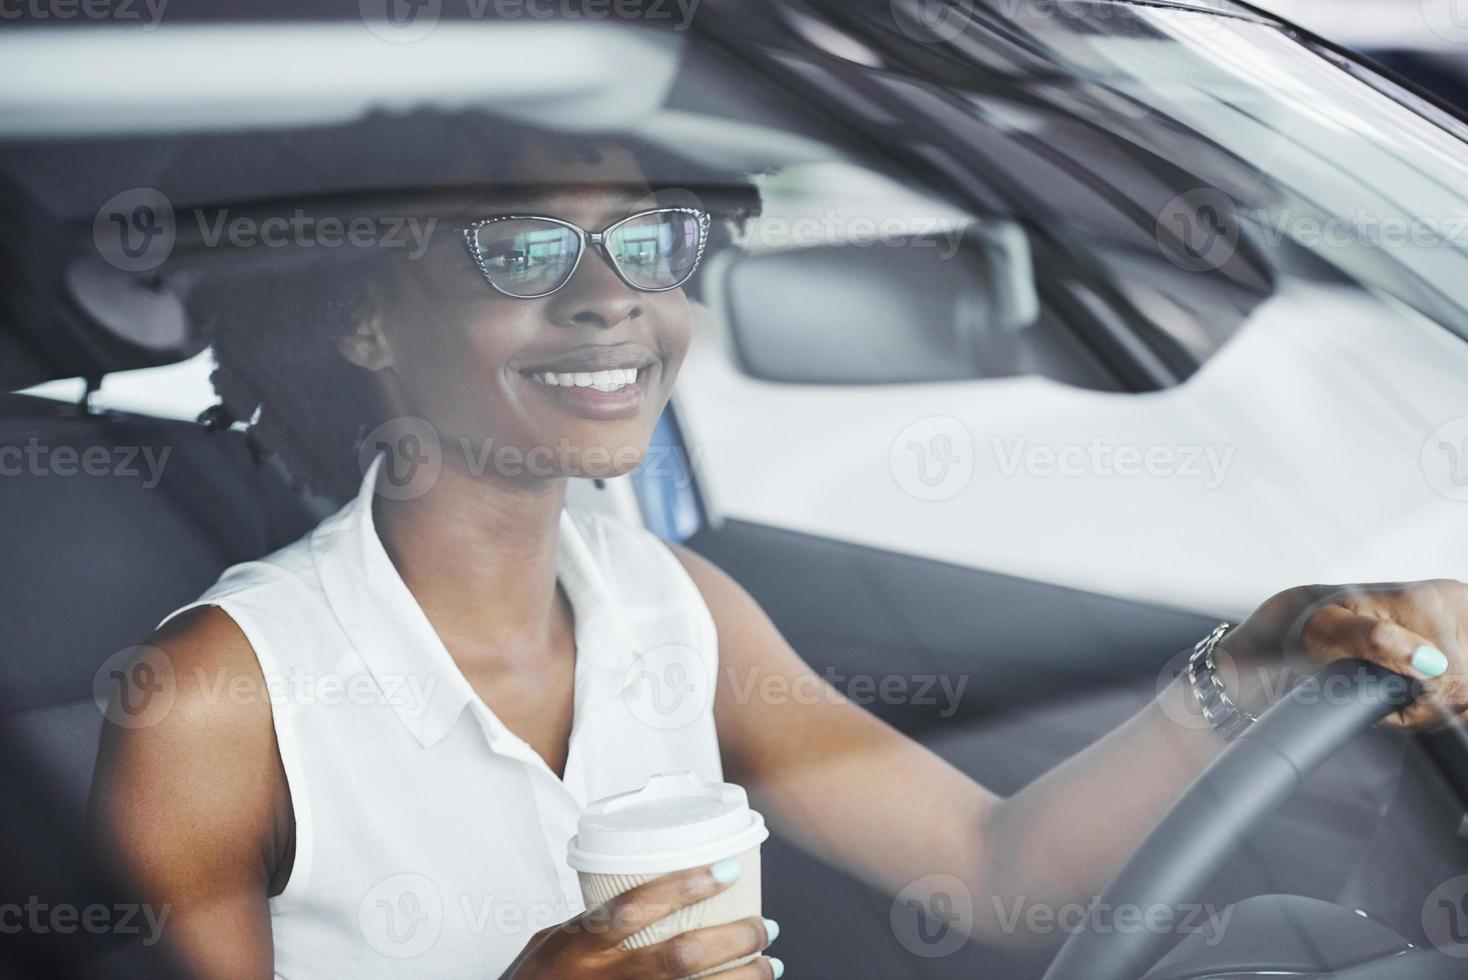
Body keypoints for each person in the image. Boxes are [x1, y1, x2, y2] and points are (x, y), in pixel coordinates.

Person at [90, 133, 1468, 979]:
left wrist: (1261, 656)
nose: (612, 298)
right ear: (365, 322)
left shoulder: (672, 608)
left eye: (651, 241)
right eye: (521, 254)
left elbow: (994, 877)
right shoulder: (216, 698)